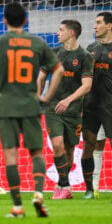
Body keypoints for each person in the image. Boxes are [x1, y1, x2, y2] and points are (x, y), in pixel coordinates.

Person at [0, 2, 64, 218]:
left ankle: (18, 207)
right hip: (31, 104)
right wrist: (46, 97)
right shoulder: (37, 43)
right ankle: (38, 194)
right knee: (37, 153)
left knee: (11, 156)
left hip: (6, 105)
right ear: (25, 20)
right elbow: (59, 70)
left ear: (4, 20)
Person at [37, 20, 93, 199]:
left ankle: (62, 186)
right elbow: (40, 78)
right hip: (53, 108)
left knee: (69, 150)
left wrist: (68, 100)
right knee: (57, 144)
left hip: (74, 110)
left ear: (71, 33)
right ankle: (66, 186)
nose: (57, 33)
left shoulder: (85, 56)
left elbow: (87, 85)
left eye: (61, 30)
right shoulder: (53, 54)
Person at [80, 12, 112, 199]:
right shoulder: (90, 48)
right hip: (90, 106)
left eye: (98, 23)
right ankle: (89, 190)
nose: (95, 26)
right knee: (88, 145)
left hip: (111, 106)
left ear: (109, 26)